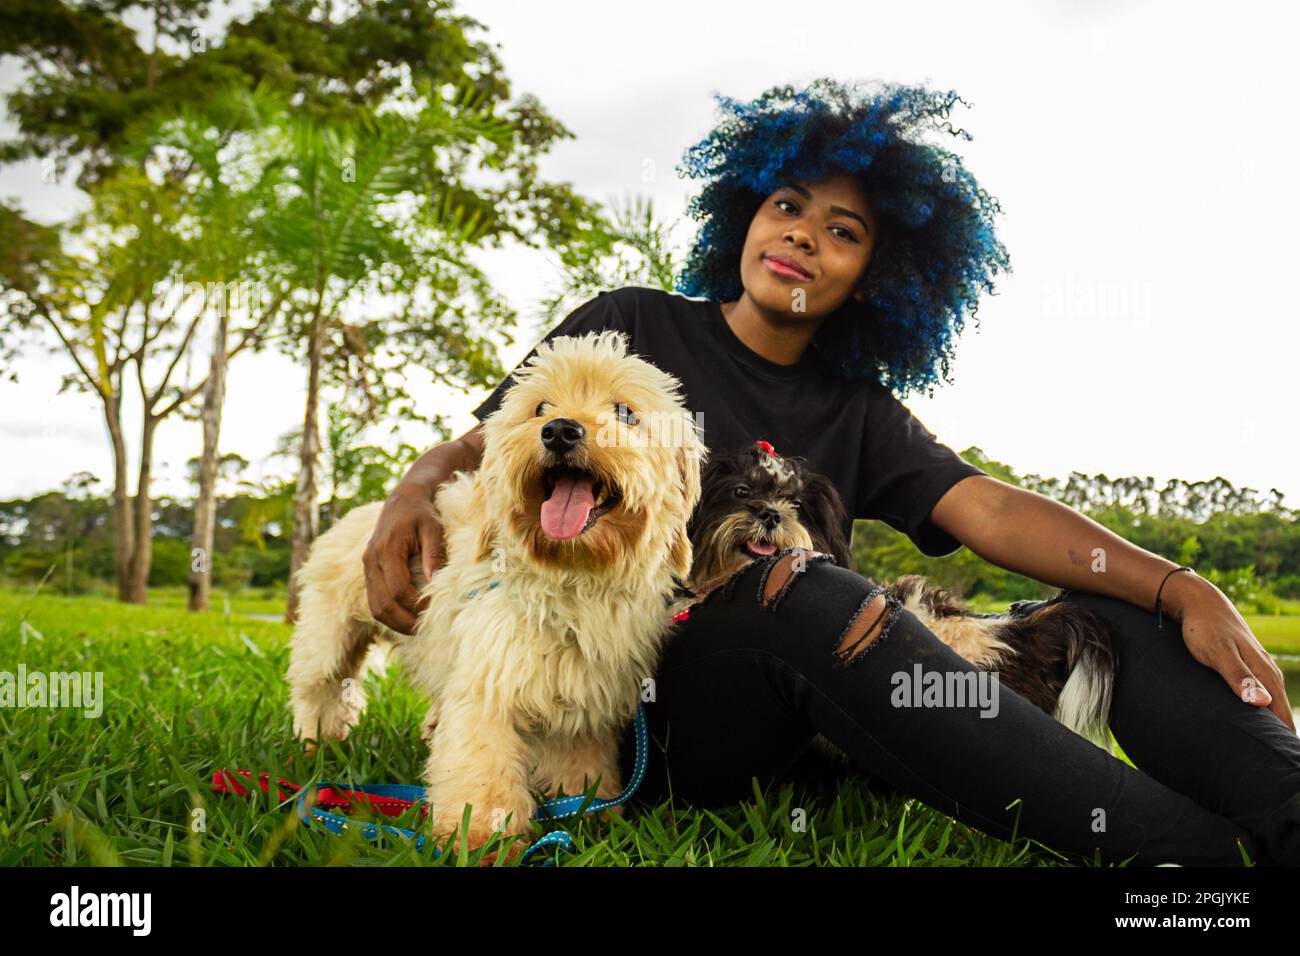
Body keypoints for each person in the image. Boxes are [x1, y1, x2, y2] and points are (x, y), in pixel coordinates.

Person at [361, 79, 1300, 866]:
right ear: (746, 212)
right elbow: (493, 440)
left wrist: (1181, 584)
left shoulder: (859, 407)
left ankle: (1285, 820)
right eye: (786, 206)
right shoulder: (633, 323)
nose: (804, 235)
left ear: (876, 279)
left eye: (842, 230)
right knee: (801, 586)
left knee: (1125, 609)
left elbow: (998, 514)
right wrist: (413, 487)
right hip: (652, 702)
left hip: (799, 713)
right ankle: (1210, 867)